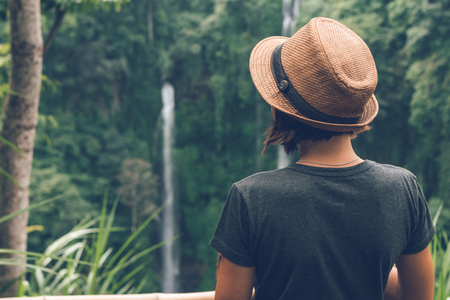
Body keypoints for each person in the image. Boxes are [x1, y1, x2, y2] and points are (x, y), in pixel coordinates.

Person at [210, 17, 435, 300]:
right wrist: (368, 262)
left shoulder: (250, 198)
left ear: (282, 108)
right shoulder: (403, 189)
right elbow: (418, 295)